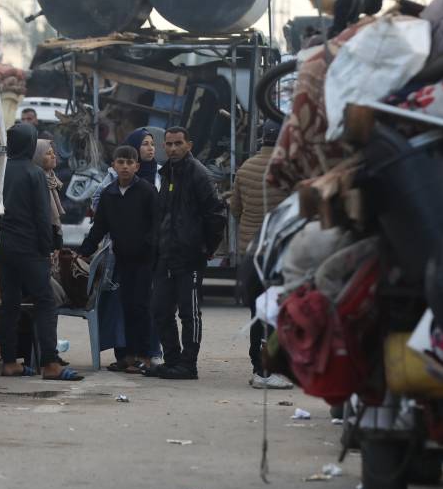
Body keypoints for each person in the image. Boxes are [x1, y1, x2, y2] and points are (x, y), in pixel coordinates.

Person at [0, 123, 82, 381]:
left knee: (9, 305)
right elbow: (43, 217)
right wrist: (48, 249)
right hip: (29, 248)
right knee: (45, 303)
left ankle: (10, 361)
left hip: (3, 248)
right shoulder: (34, 174)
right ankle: (50, 363)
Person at [146, 127, 226, 380]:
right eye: (168, 144)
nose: (172, 148)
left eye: (178, 143)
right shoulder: (167, 173)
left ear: (188, 145)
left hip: (189, 257)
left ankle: (188, 364)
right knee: (160, 310)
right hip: (165, 256)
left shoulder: (198, 174)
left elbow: (216, 215)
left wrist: (205, 248)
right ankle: (172, 361)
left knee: (189, 313)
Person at [78, 145, 159, 374]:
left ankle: (145, 355)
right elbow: (99, 227)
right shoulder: (109, 194)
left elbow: (156, 226)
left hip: (144, 261)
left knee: (141, 308)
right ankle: (128, 357)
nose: (125, 166)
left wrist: (149, 249)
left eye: (129, 162)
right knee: (125, 307)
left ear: (137, 166)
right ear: (113, 165)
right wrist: (84, 251)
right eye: (120, 162)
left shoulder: (147, 191)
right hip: (121, 260)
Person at [230, 120, 293, 389]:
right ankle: (276, 369)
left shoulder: (244, 168)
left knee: (257, 312)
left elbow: (235, 209)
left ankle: (259, 368)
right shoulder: (289, 168)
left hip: (251, 252)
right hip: (280, 252)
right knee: (280, 311)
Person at [32, 138, 65, 251]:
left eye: (53, 153)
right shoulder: (35, 181)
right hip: (40, 241)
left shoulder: (52, 179)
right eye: (48, 153)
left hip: (53, 235)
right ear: (37, 157)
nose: (53, 156)